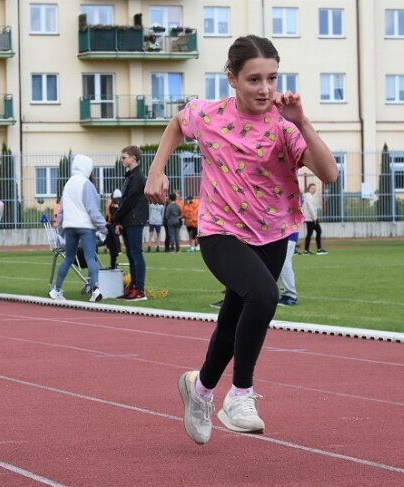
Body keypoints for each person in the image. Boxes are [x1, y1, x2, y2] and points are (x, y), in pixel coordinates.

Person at [144, 34, 337, 445]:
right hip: (220, 231)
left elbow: (330, 174)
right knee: (264, 296)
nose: (265, 89)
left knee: (234, 318)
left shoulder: (285, 126)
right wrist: (156, 170)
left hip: (273, 232)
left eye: (271, 78)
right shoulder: (208, 115)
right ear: (231, 78)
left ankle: (199, 390)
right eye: (253, 79)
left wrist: (302, 120)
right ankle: (240, 395)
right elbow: (178, 124)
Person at [49, 154, 107, 302]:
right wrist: (103, 227)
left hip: (70, 226)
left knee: (68, 258)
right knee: (90, 257)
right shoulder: (87, 184)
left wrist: (62, 229)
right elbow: (93, 210)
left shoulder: (68, 184)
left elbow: (61, 210)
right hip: (85, 226)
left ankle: (56, 289)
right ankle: (95, 289)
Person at [113, 145, 149, 301]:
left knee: (136, 253)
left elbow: (129, 201)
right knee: (130, 254)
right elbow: (124, 201)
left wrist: (116, 217)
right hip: (128, 220)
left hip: (135, 220)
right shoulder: (130, 177)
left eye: (124, 157)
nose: (122, 160)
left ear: (133, 158)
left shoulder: (138, 177)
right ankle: (134, 286)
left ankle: (139, 289)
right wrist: (119, 219)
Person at [302, 183, 327, 255]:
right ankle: (315, 250)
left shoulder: (309, 196)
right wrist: (315, 218)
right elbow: (310, 208)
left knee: (313, 232)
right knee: (316, 231)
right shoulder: (308, 197)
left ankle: (309, 250)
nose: (314, 190)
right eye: (312, 188)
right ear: (309, 189)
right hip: (311, 218)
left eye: (315, 188)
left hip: (311, 218)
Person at [278, 231, 299, 306]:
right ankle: (286, 294)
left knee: (285, 264)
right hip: (281, 236)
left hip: (288, 235)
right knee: (281, 264)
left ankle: (291, 295)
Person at [105, 189, 122, 269]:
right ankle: (113, 261)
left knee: (114, 245)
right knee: (113, 245)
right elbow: (112, 217)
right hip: (110, 226)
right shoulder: (112, 205)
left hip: (112, 226)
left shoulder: (114, 205)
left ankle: (114, 261)